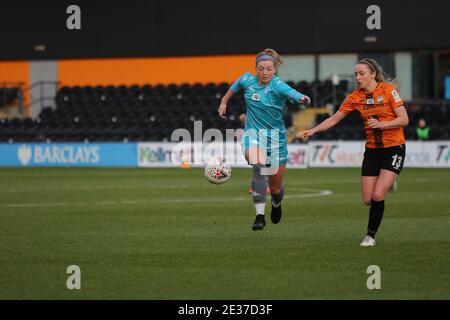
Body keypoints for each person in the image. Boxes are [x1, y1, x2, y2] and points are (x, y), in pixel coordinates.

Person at [297, 58, 409, 246]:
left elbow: (404, 119)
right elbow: (334, 119)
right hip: (372, 151)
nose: (357, 77)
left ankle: (370, 236)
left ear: (372, 73)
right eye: (355, 74)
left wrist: (383, 124)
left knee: (377, 196)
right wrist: (313, 130)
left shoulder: (389, 91)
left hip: (394, 147)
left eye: (361, 73)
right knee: (367, 200)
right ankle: (388, 181)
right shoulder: (354, 97)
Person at [218, 48, 310, 231]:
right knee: (258, 163)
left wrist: (302, 98)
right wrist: (223, 102)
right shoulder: (247, 80)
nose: (265, 72)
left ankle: (276, 203)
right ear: (256, 68)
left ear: (275, 69)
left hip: (276, 140)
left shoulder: (278, 86)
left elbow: (294, 94)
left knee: (275, 189)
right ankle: (259, 216)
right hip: (252, 135)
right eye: (261, 68)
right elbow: (232, 89)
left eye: (269, 69)